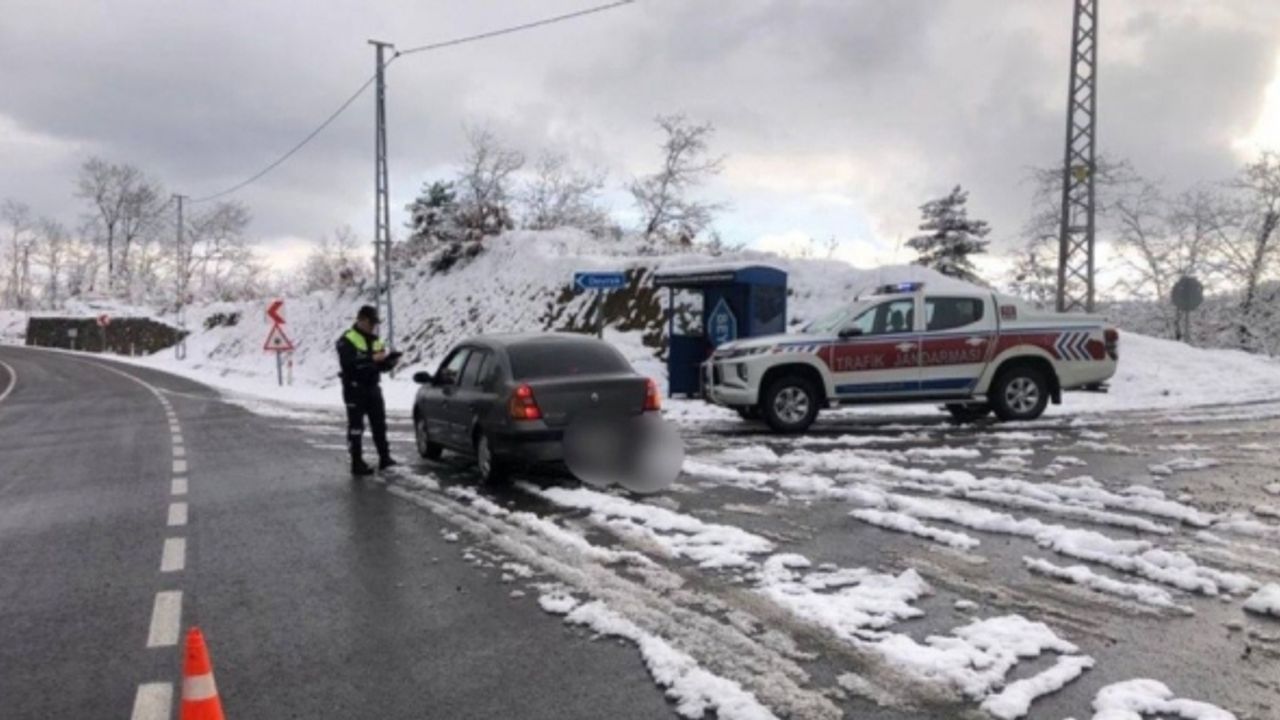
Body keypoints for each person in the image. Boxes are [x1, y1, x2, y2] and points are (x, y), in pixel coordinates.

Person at [336, 305, 401, 476]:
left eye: (375, 323)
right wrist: (372, 358)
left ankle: (385, 458)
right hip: (354, 388)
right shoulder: (346, 339)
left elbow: (379, 365)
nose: (373, 326)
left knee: (380, 424)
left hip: (373, 387)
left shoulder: (375, 340)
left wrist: (389, 362)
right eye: (371, 323)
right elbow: (349, 363)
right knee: (356, 426)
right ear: (362, 320)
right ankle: (357, 462)